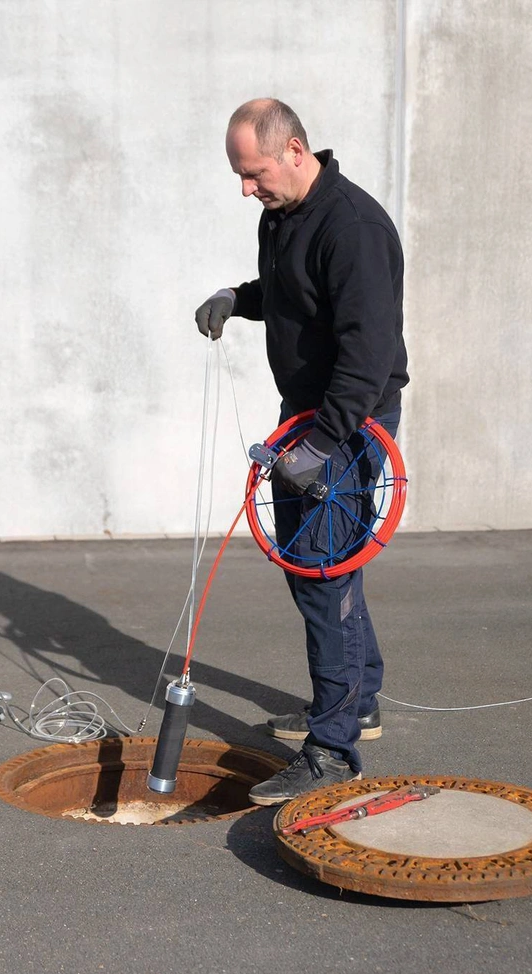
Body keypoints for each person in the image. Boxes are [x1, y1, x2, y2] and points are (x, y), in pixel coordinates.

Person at [195, 98, 409, 804]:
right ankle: (359, 702)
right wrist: (237, 297)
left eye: (253, 172)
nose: (245, 188)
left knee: (322, 574)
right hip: (308, 419)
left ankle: (333, 749)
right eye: (240, 174)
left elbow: (368, 353)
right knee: (317, 570)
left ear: (294, 150)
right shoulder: (283, 213)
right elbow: (293, 292)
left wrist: (321, 443)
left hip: (348, 423)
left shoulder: (353, 227)